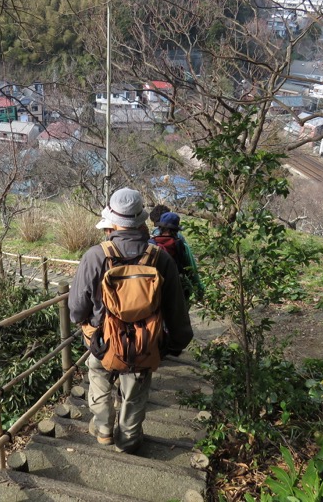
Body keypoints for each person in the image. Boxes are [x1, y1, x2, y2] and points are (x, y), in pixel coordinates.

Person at [69, 188, 193, 453]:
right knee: (135, 390)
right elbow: (176, 307)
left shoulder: (96, 255)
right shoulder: (159, 257)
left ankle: (103, 429)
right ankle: (128, 439)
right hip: (145, 341)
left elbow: (77, 307)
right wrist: (177, 342)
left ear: (113, 221)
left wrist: (84, 324)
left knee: (100, 377)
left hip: (102, 339)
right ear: (141, 221)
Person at [149, 212, 204, 307]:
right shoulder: (181, 245)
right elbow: (191, 270)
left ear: (159, 228)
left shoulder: (150, 245)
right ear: (176, 230)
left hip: (155, 291)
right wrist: (199, 290)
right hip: (177, 290)